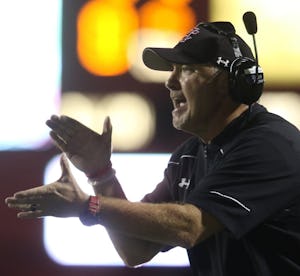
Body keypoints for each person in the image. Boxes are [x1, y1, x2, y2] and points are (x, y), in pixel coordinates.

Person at [5, 20, 300, 276]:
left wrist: (87, 206)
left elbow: (190, 227)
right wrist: (101, 173)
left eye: (186, 69)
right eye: (172, 69)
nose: (170, 82)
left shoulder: (272, 145)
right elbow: (136, 249)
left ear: (233, 81)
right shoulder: (189, 155)